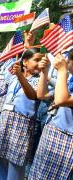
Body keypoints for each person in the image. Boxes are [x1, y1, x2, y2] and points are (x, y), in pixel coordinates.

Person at [0, 48, 42, 179]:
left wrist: (20, 75)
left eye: (41, 60)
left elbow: (32, 95)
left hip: (22, 125)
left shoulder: (39, 79)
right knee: (1, 159)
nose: (40, 64)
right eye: (36, 60)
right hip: (5, 122)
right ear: (25, 62)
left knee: (16, 163)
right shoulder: (13, 78)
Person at [29, 50, 73, 179]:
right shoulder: (70, 81)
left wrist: (62, 71)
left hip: (67, 140)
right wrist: (44, 71)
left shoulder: (65, 76)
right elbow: (42, 95)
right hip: (53, 133)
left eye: (68, 59)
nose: (65, 61)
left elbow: (61, 100)